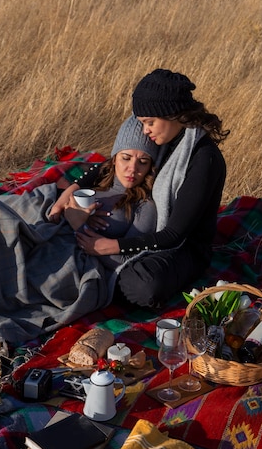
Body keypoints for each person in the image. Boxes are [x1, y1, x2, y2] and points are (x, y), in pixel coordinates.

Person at [0, 116, 158, 345]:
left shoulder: (144, 207)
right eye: (125, 158)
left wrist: (83, 231)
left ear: (151, 166)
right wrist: (65, 208)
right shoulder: (101, 175)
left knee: (11, 284)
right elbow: (68, 193)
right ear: (115, 157)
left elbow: (127, 261)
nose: (132, 169)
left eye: (142, 162)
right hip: (53, 231)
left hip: (79, 263)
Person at [74, 68, 229, 307]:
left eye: (149, 122)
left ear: (172, 114)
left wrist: (110, 247)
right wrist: (72, 187)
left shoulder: (203, 159)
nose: (145, 130)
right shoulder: (166, 137)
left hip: (183, 248)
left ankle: (97, 272)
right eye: (142, 123)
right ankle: (96, 272)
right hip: (147, 232)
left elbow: (174, 235)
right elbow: (111, 162)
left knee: (145, 285)